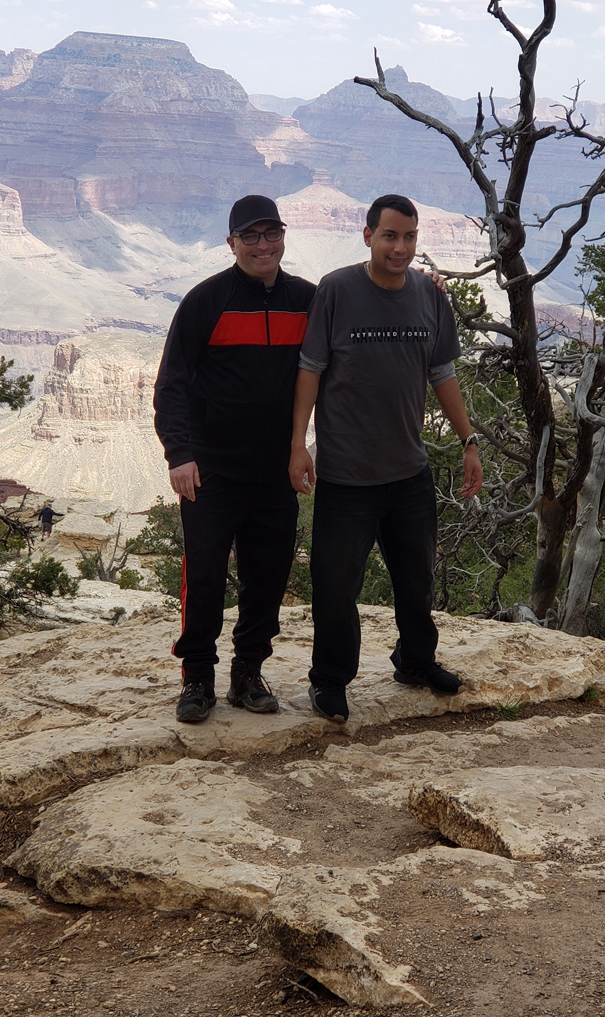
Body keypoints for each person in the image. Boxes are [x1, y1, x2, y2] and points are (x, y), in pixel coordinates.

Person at [289, 193, 483, 724]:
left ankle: (415, 662)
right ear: (368, 234)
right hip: (347, 476)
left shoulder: (428, 294)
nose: (401, 247)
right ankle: (329, 681)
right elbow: (310, 369)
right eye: (391, 235)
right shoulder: (337, 290)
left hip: (409, 472)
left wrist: (469, 441)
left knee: (416, 578)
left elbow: (442, 373)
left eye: (410, 236)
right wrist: (297, 446)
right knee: (335, 586)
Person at [153, 195, 315, 723]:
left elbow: (365, 305)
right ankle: (197, 677)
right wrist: (179, 453)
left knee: (267, 576)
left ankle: (248, 673)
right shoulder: (206, 301)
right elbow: (172, 384)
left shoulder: (308, 300)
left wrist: (426, 287)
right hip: (212, 468)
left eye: (272, 234)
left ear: (284, 237)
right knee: (204, 576)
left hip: (276, 469)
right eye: (252, 236)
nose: (263, 245)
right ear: (232, 244)